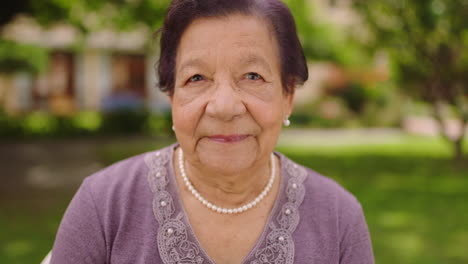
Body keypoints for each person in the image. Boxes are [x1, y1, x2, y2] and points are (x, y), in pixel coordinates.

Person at [50, 0, 374, 263]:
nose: (224, 106)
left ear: (288, 96)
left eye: (252, 76)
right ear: (172, 97)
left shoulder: (338, 215)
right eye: (196, 78)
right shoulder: (104, 203)